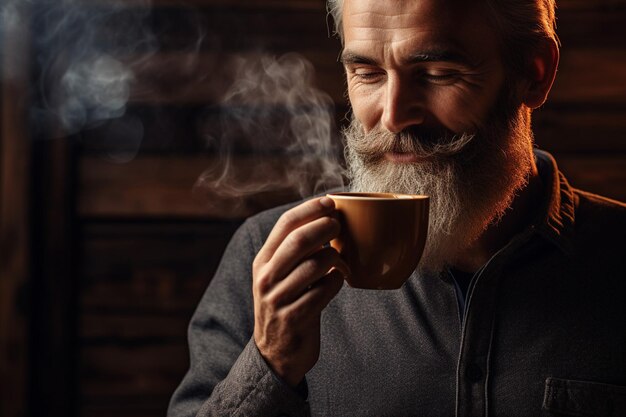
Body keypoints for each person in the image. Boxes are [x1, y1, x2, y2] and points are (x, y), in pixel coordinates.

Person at [168, 0, 626, 416]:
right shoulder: (267, 257)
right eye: (367, 73)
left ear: (534, 72)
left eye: (438, 73)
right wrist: (270, 364)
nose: (392, 115)